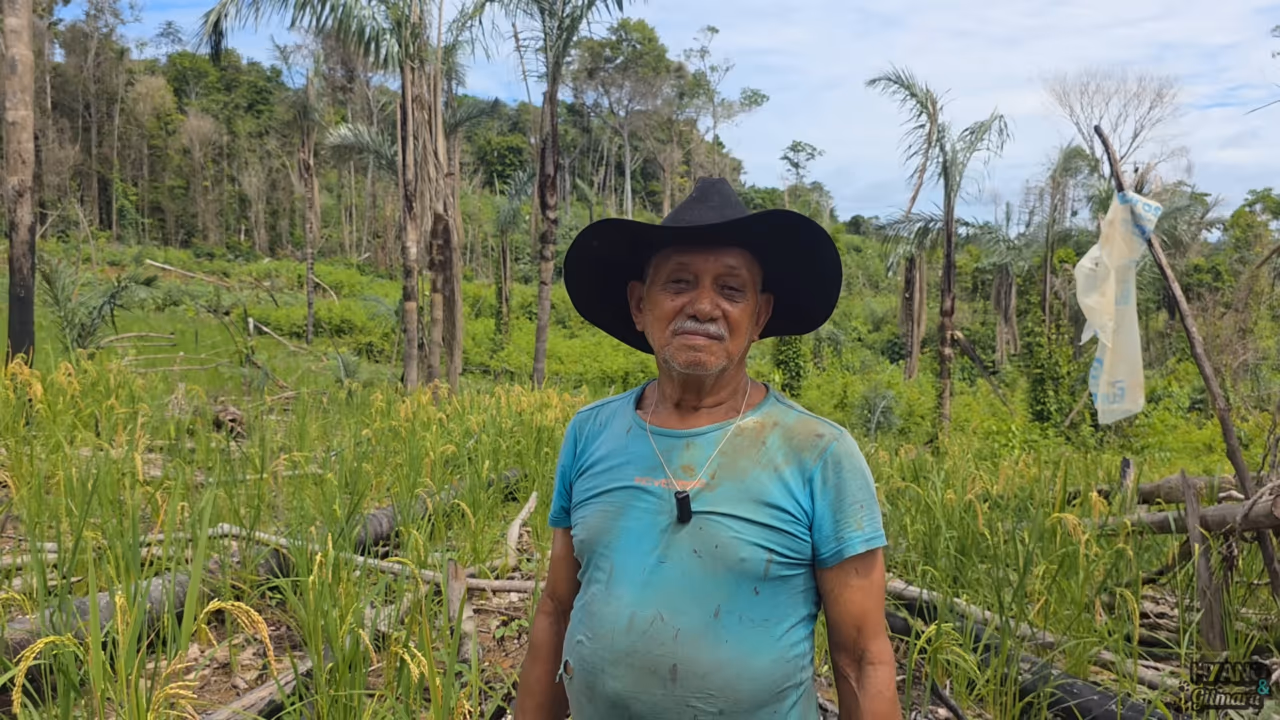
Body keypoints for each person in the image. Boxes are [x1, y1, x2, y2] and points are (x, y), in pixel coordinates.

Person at [514, 177, 900, 719]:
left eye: (731, 289)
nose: (704, 305)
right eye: (678, 283)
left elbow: (863, 657)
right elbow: (556, 608)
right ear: (638, 305)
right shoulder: (589, 432)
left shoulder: (818, 452)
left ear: (760, 316)